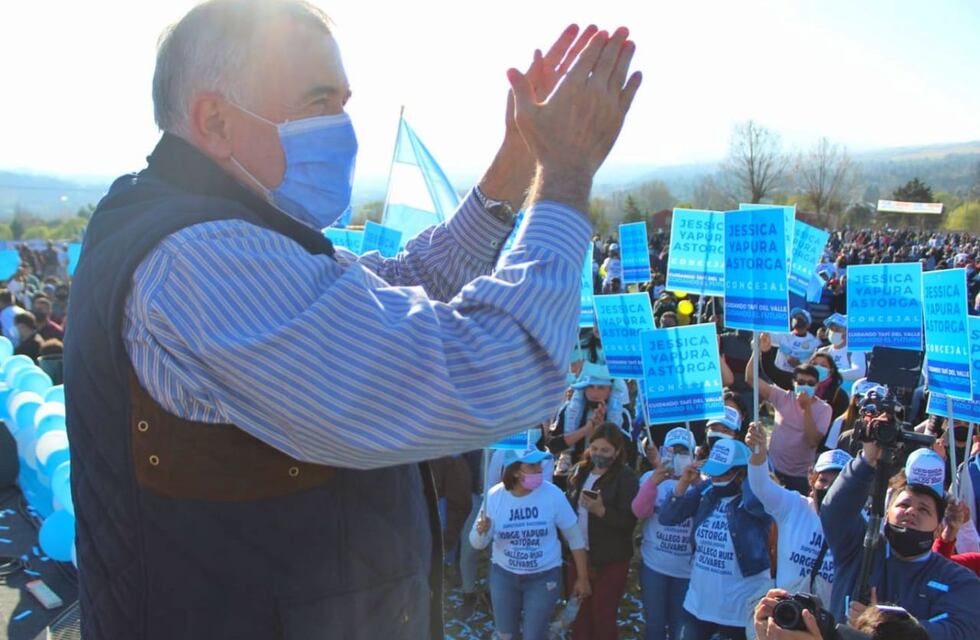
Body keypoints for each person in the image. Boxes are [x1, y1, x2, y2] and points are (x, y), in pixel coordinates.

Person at [64, 1, 642, 637]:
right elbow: (498, 371)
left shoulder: (218, 226)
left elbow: (389, 286)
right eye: (319, 103)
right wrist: (562, 179)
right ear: (216, 121)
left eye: (343, 101)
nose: (343, 127)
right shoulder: (199, 260)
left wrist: (516, 166)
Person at [820, 401, 980, 639]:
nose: (911, 511)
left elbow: (961, 631)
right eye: (904, 504)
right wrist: (866, 460)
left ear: (938, 527)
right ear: (887, 511)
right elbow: (836, 511)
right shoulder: (858, 551)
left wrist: (881, 625)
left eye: (924, 509)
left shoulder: (959, 580)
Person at [660, 438, 774, 640]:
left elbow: (757, 503)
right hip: (698, 603)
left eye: (721, 474)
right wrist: (684, 482)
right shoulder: (707, 492)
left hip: (739, 610)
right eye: (712, 473)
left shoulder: (758, 500)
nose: (714, 479)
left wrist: (752, 474)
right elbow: (668, 516)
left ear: (740, 474)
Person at [470, 449, 590, 640]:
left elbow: (575, 537)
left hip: (543, 578)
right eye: (532, 465)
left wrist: (582, 578)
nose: (539, 469)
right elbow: (477, 544)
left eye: (539, 464)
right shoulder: (495, 496)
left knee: (534, 635)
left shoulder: (552, 495)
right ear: (516, 471)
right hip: (504, 577)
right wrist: (480, 531)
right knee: (505, 634)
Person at [745, 422, 850, 607]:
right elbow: (761, 485)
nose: (829, 489)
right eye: (823, 480)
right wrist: (758, 453)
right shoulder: (794, 506)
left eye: (838, 483)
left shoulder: (858, 525)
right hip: (785, 615)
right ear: (811, 479)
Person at [565, 422, 639, 639]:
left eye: (605, 450)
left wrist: (602, 511)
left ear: (617, 452)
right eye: (595, 448)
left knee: (603, 614)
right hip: (579, 555)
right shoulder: (580, 471)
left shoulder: (626, 478)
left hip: (610, 559)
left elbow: (628, 522)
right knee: (579, 613)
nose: (599, 454)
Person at [631, 427, 697, 640]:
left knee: (681, 627)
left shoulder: (702, 484)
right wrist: (653, 482)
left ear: (693, 454)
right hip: (654, 566)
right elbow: (639, 512)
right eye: (672, 450)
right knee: (655, 625)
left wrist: (695, 482)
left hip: (687, 572)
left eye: (683, 451)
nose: (677, 456)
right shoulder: (650, 478)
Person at [746, 356, 832, 495]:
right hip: (773, 468)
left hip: (800, 476)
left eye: (811, 383)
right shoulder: (783, 397)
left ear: (817, 385)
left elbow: (812, 441)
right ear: (794, 382)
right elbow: (750, 379)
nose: (806, 386)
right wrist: (757, 351)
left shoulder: (825, 409)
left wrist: (807, 409)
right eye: (801, 382)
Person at [763, 308, 821, 391]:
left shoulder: (815, 342)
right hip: (779, 377)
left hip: (799, 383)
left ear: (808, 324)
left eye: (801, 319)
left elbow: (815, 364)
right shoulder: (784, 336)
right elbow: (765, 336)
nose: (797, 320)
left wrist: (799, 364)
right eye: (795, 318)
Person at [816, 313, 865, 392]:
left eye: (838, 329)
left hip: (846, 398)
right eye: (832, 328)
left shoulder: (854, 351)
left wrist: (833, 373)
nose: (833, 332)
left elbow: (859, 372)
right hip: (825, 395)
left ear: (847, 333)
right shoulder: (823, 351)